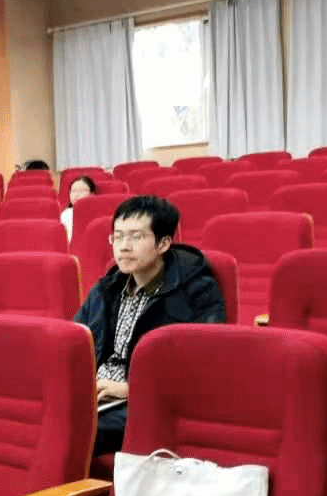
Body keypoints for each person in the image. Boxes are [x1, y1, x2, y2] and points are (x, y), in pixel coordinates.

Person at [75, 195, 226, 457]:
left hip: (148, 401)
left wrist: (130, 389)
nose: (124, 247)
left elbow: (203, 365)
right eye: (117, 237)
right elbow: (76, 343)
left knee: (74, 429)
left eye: (135, 237)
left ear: (163, 243)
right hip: (96, 392)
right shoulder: (105, 289)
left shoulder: (198, 291)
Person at [60, 175, 97, 241]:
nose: (76, 194)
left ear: (92, 194)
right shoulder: (66, 214)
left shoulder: (98, 213)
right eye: (73, 191)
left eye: (81, 191)